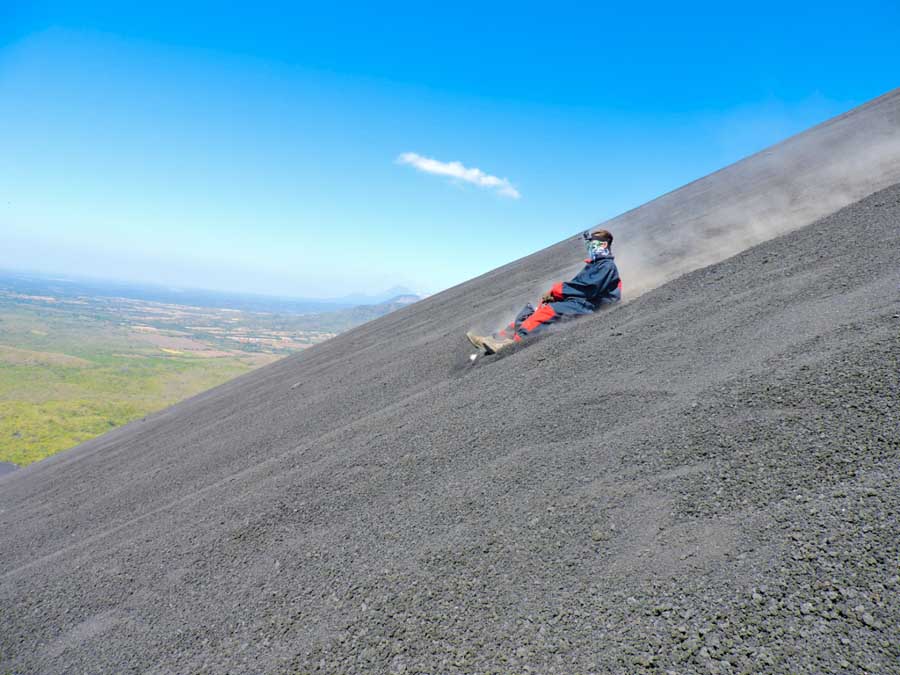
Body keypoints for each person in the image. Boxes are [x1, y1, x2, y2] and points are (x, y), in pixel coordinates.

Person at [467, 228, 622, 354]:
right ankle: (495, 338)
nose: (589, 248)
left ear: (603, 245)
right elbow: (579, 286)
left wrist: (556, 292)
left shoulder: (606, 266)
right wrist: (555, 295)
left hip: (590, 306)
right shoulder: (595, 265)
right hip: (580, 302)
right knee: (534, 310)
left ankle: (510, 344)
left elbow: (589, 288)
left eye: (592, 244)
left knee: (547, 311)